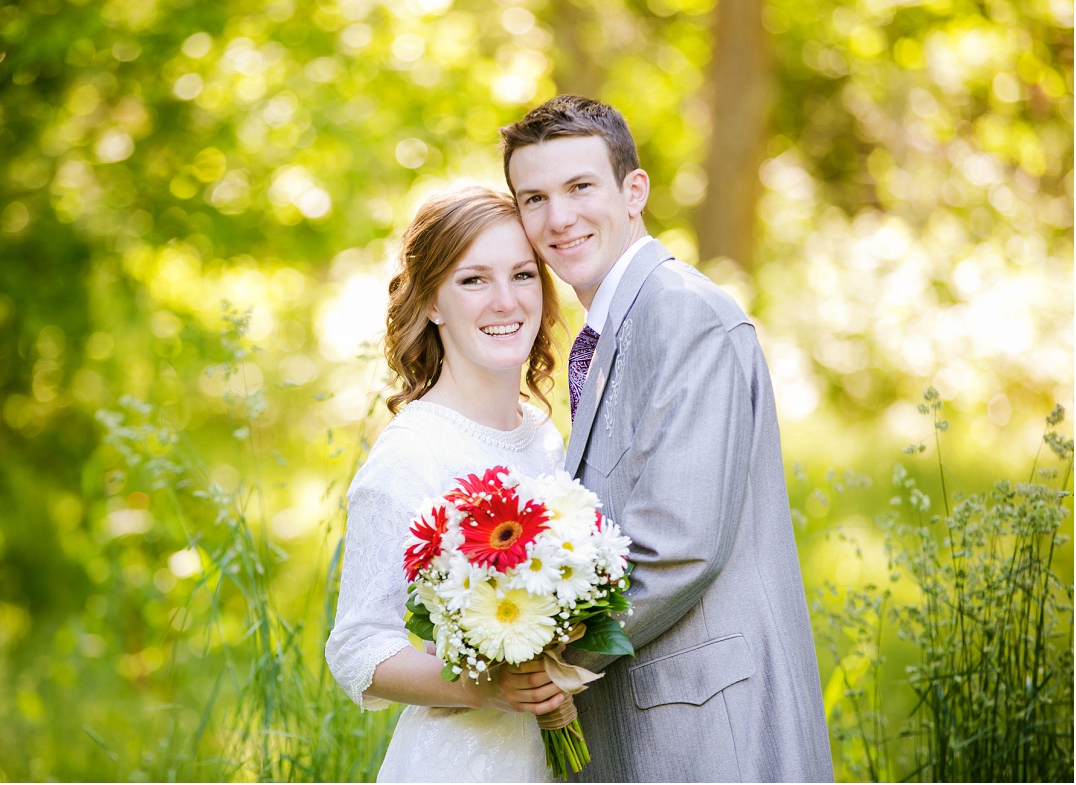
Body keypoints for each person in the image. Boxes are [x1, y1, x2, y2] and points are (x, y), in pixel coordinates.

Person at [499, 95, 834, 782]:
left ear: (634, 190)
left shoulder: (683, 316)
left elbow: (678, 544)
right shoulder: (610, 329)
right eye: (533, 198)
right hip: (656, 720)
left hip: (710, 725)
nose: (558, 218)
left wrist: (555, 659)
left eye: (579, 187)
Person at [325, 187, 569, 782]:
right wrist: (484, 685)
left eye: (522, 274)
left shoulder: (543, 436)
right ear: (432, 301)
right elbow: (357, 647)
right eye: (473, 281)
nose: (506, 301)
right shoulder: (412, 455)